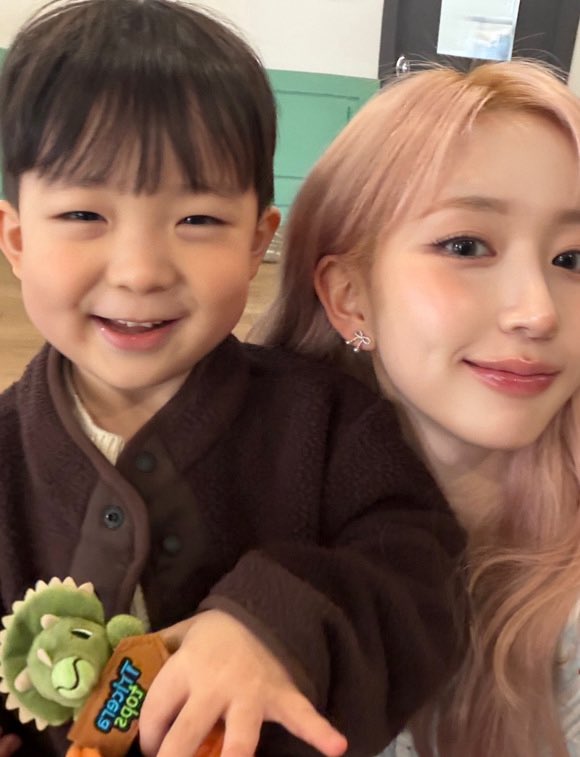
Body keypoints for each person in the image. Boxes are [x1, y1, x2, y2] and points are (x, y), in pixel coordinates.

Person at [0, 1, 468, 755]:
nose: (141, 272)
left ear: (258, 243)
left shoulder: (331, 423)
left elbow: (423, 575)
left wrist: (275, 622)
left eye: (198, 220)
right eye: (85, 214)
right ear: (18, 240)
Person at [255, 58, 580, 757]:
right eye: (466, 246)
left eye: (573, 260)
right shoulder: (223, 513)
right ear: (350, 298)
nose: (537, 312)